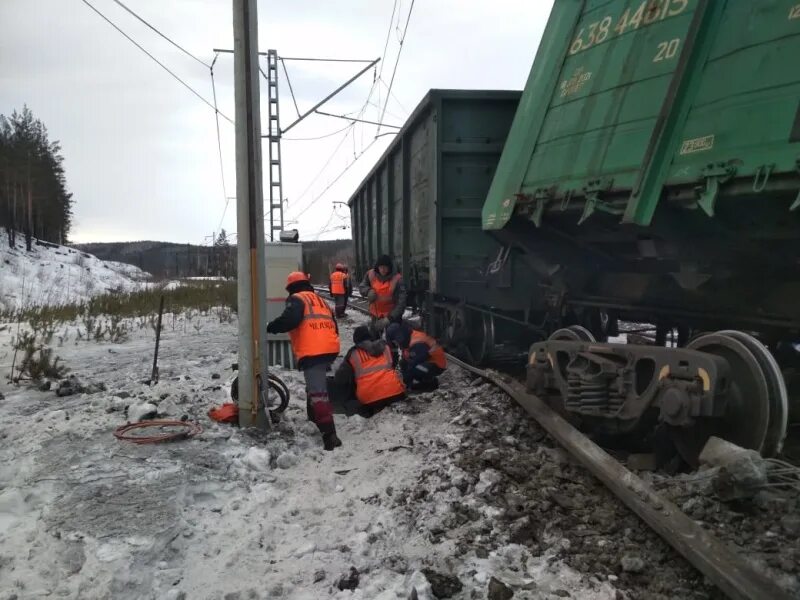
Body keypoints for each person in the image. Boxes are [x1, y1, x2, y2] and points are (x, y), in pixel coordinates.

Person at [267, 271, 342, 451]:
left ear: (291, 288)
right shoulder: (321, 301)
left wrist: (271, 327)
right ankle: (314, 419)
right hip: (330, 347)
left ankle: (330, 435)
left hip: (313, 350)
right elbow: (334, 325)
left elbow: (290, 320)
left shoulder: (297, 299)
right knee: (315, 388)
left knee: (318, 394)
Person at [333, 325, 406, 416]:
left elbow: (340, 378)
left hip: (370, 400)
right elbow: (393, 363)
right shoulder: (385, 348)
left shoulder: (353, 354)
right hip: (395, 393)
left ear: (356, 341)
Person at [385, 321, 447, 391]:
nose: (395, 343)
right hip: (425, 360)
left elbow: (416, 361)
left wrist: (407, 382)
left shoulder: (417, 342)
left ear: (398, 336)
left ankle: (431, 383)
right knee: (404, 363)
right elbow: (407, 359)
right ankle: (416, 382)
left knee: (416, 368)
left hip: (437, 364)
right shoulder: (406, 337)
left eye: (394, 341)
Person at [358, 254, 406, 336]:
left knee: (393, 338)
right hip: (375, 314)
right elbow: (362, 286)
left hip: (392, 316)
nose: (383, 269)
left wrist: (390, 318)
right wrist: (368, 291)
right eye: (381, 267)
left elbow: (401, 302)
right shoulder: (370, 274)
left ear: (389, 267)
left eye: (385, 267)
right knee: (374, 338)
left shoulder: (397, 279)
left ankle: (392, 348)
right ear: (378, 267)